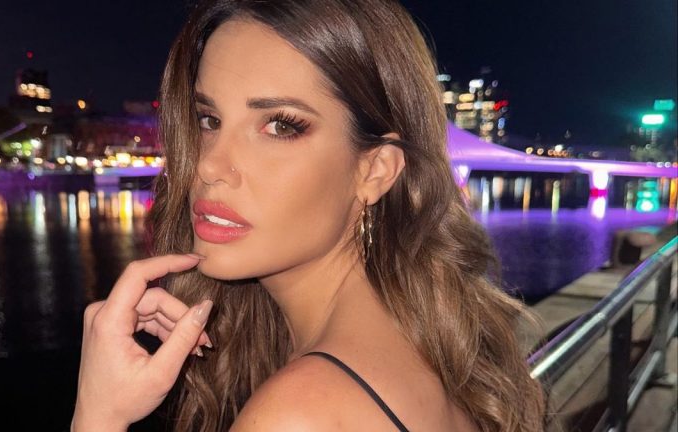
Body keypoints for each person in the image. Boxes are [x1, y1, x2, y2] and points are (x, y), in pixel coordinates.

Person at [72, 0, 547, 431]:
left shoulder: (298, 414)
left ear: (375, 170)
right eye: (209, 120)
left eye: (280, 126)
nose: (208, 166)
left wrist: (99, 413)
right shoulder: (421, 348)